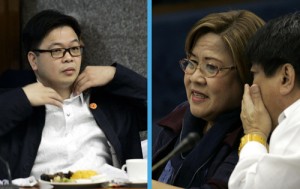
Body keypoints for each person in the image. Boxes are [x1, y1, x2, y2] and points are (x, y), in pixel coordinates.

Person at [0, 9, 146, 179]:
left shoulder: (108, 102)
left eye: (75, 48)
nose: (69, 58)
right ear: (33, 60)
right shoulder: (18, 105)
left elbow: (156, 106)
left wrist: (116, 75)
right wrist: (22, 99)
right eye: (57, 51)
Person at [152, 10, 265, 188]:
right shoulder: (181, 116)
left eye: (211, 67)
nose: (195, 77)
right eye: (192, 63)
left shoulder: (252, 138)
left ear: (246, 76)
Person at [229, 12, 300, 189]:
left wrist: (254, 134)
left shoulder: (295, 124)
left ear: (285, 77)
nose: (251, 86)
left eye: (254, 74)